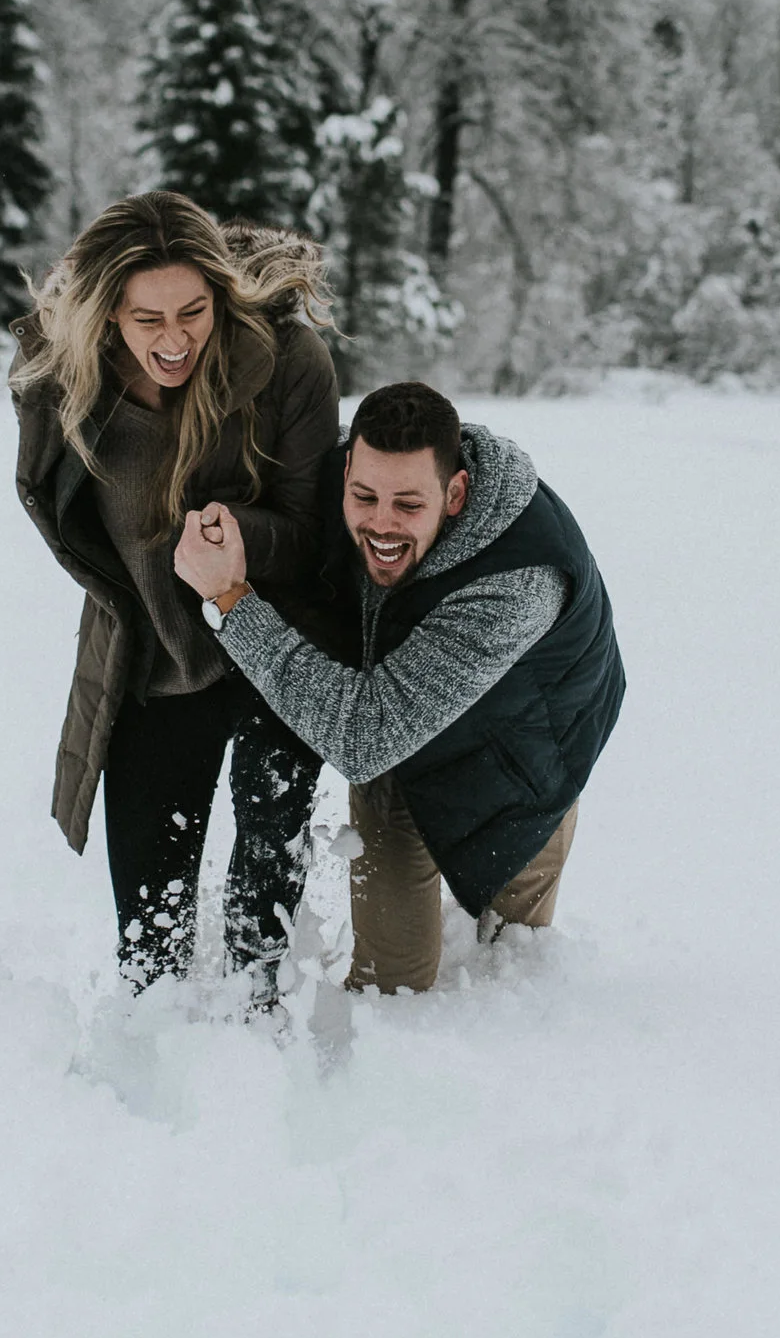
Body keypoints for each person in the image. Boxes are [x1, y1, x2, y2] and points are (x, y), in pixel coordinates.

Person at [168, 377, 624, 992]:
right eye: (365, 496)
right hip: (397, 733)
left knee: (515, 961)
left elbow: (360, 737)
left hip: (525, 752)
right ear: (348, 464)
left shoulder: (517, 582)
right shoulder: (337, 474)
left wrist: (231, 600)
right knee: (394, 983)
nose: (381, 525)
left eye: (409, 505)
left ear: (455, 492)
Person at [12, 192, 339, 988]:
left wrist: (239, 541)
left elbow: (316, 529)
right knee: (148, 945)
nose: (174, 338)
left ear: (221, 294)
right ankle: (151, 1075)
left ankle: (269, 1048)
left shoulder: (287, 359)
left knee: (260, 930)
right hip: (157, 658)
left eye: (193, 310)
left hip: (272, 642)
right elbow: (67, 520)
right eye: (145, 318)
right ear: (107, 314)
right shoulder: (66, 380)